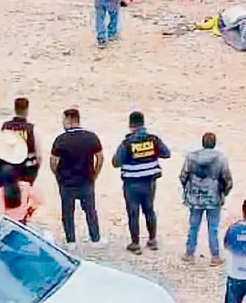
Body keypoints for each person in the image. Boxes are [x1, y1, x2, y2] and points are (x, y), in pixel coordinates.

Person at [112, 111, 170, 254]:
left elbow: (116, 162)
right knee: (149, 210)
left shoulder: (127, 143)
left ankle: (135, 244)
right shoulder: (153, 139)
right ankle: (152, 240)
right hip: (149, 182)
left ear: (131, 125)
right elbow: (166, 153)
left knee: (133, 212)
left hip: (132, 183)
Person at [51, 108, 105, 249]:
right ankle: (95, 238)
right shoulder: (91, 137)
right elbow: (100, 158)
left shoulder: (61, 140)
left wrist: (58, 175)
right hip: (86, 180)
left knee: (68, 212)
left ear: (69, 120)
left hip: (67, 182)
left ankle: (71, 241)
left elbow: (53, 162)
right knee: (90, 210)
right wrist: (95, 174)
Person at [180, 132, 233, 265]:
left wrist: (187, 189)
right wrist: (224, 193)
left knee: (193, 226)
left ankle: (189, 253)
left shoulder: (191, 157)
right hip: (213, 196)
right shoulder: (221, 159)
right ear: (214, 143)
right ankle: (215, 256)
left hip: (195, 195)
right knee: (213, 228)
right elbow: (227, 179)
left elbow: (183, 175)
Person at [0, 97, 41, 185]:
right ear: (27, 110)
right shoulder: (32, 128)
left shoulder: (6, 127)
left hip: (9, 166)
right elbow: (39, 154)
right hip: (27, 167)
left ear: (15, 109)